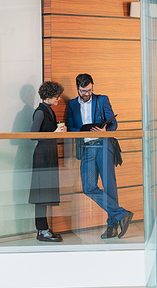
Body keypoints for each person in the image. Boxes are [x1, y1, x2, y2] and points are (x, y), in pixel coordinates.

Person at [66, 73, 133, 239]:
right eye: (84, 91)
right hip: (86, 148)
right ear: (77, 89)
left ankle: (112, 226)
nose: (87, 93)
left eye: (89, 90)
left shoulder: (102, 100)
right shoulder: (73, 104)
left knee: (110, 186)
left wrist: (106, 131)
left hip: (103, 145)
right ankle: (122, 214)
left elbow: (114, 123)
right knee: (88, 187)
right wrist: (82, 131)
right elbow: (70, 127)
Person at [28, 80, 66, 243]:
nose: (58, 100)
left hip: (48, 154)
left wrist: (57, 132)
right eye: (57, 97)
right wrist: (55, 132)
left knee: (46, 192)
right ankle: (42, 230)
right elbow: (33, 135)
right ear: (49, 96)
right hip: (42, 155)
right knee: (41, 194)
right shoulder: (40, 112)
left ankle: (44, 229)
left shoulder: (47, 110)